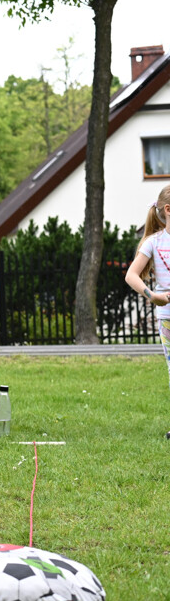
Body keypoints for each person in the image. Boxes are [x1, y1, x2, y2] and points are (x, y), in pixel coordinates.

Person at [123, 183, 170, 438]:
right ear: (168, 209)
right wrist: (153, 296)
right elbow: (131, 275)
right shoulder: (154, 242)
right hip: (168, 319)